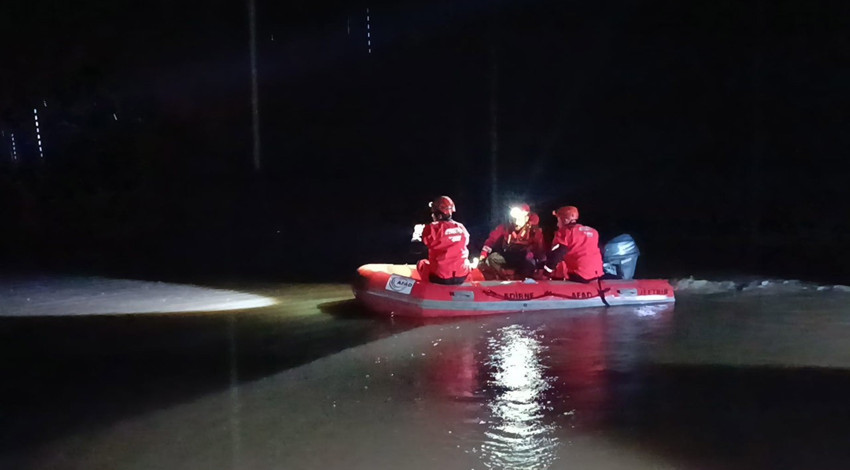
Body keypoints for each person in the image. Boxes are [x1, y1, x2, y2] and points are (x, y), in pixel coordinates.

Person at [479, 203, 545, 280]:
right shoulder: (506, 227)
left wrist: (541, 267)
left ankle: (523, 283)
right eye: (515, 218)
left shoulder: (534, 231)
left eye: (519, 218)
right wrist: (483, 256)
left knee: (530, 265)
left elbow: (540, 249)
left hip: (524, 258)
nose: (516, 221)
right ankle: (503, 281)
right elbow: (491, 240)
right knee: (492, 258)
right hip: (508, 256)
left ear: (526, 218)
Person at [539, 205, 604, 283]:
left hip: (579, 274)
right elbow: (601, 249)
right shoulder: (593, 231)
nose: (557, 224)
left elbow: (557, 254)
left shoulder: (565, 232)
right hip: (597, 273)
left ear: (565, 220)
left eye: (558, 220)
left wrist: (546, 274)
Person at [415, 196, 471, 285]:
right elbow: (465, 242)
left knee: (421, 263)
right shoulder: (461, 227)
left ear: (437, 213)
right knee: (466, 262)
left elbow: (420, 245)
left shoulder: (432, 228)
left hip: (440, 277)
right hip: (462, 275)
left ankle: (428, 289)